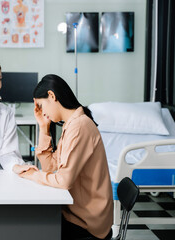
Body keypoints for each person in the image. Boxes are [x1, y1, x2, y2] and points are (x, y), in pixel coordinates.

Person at [13, 74, 113, 240]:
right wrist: (44, 128)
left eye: (41, 105)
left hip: (87, 221)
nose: (42, 112)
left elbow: (63, 181)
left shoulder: (79, 126)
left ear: (51, 96)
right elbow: (51, 168)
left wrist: (33, 175)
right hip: (77, 212)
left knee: (31, 227)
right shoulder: (72, 124)